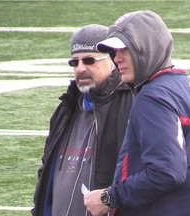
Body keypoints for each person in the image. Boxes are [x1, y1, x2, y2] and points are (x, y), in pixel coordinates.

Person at [84, 10, 190, 216]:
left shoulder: (153, 97)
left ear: (147, 47)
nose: (117, 59)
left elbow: (166, 172)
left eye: (124, 49)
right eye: (113, 52)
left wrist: (109, 197)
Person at [32, 24, 133, 216]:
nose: (80, 69)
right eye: (74, 63)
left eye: (89, 60)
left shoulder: (131, 104)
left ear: (112, 60)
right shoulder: (66, 107)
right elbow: (45, 171)